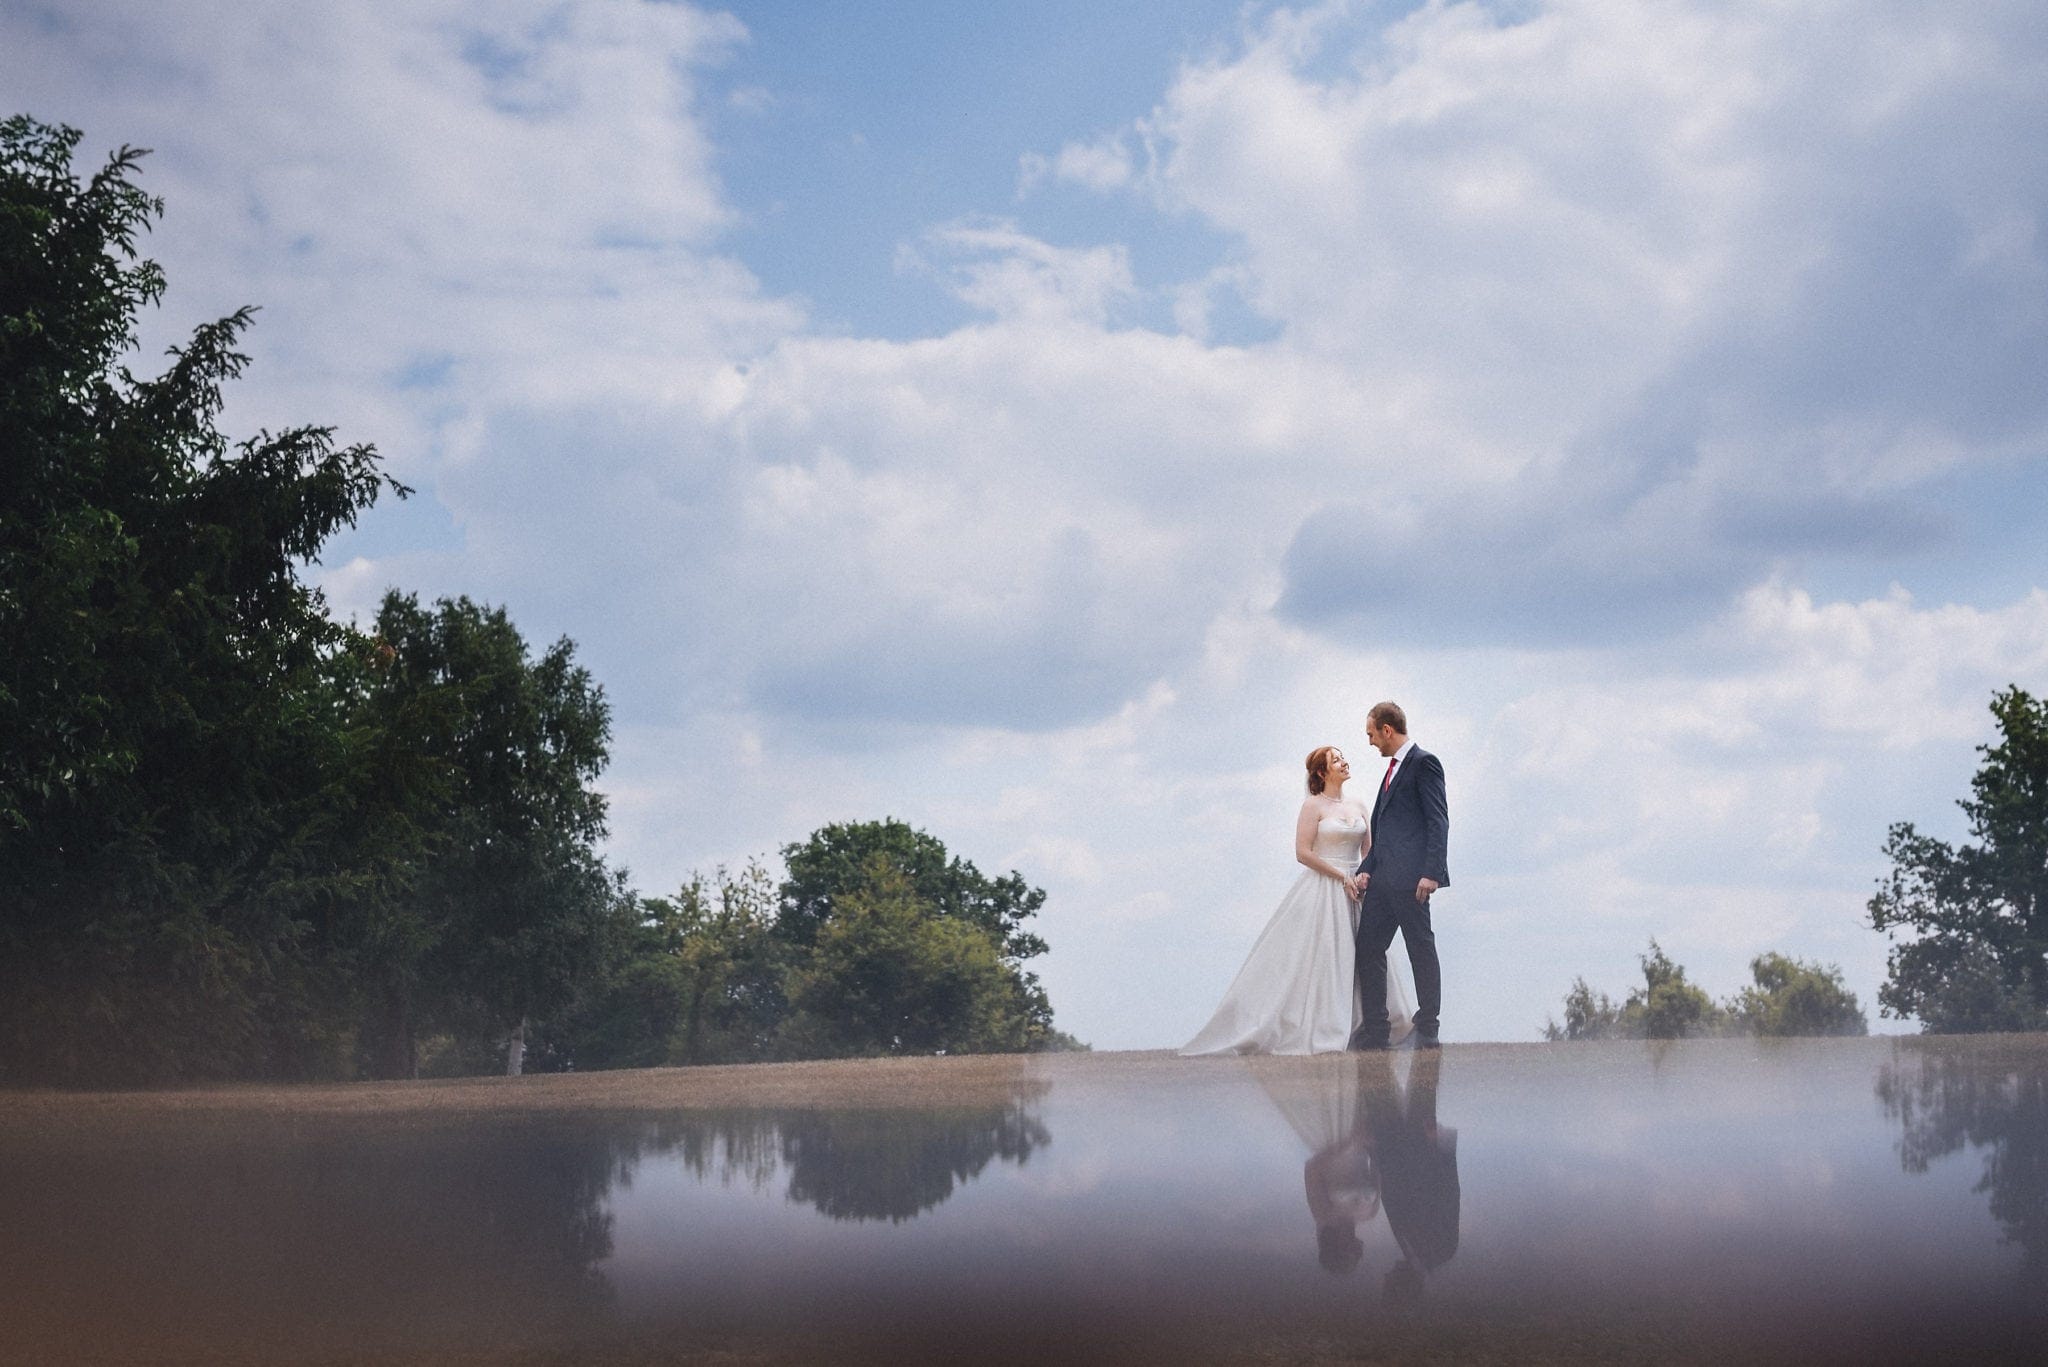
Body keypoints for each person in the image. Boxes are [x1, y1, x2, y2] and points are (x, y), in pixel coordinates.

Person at [1181, 746, 1414, 1056]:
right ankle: (1324, 1025)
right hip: (1326, 887)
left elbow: (1369, 850)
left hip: (1356, 890)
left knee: (1367, 956)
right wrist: (1340, 876)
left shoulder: (1359, 803)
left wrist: (1362, 876)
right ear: (1322, 772)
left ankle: (1370, 1025)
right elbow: (1303, 852)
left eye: (1342, 757)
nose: (1344, 762)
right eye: (1336, 760)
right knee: (1328, 957)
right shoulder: (1312, 806)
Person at [1351, 701, 1449, 1051]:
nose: (1370, 742)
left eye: (1371, 734)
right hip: (1382, 883)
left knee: (1420, 948)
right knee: (1368, 948)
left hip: (1412, 882)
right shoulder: (1391, 770)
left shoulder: (1424, 764)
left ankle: (1428, 1029)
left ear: (1387, 730)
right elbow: (1384, 832)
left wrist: (1431, 872)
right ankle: (1377, 1030)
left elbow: (1438, 820)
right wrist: (1366, 871)